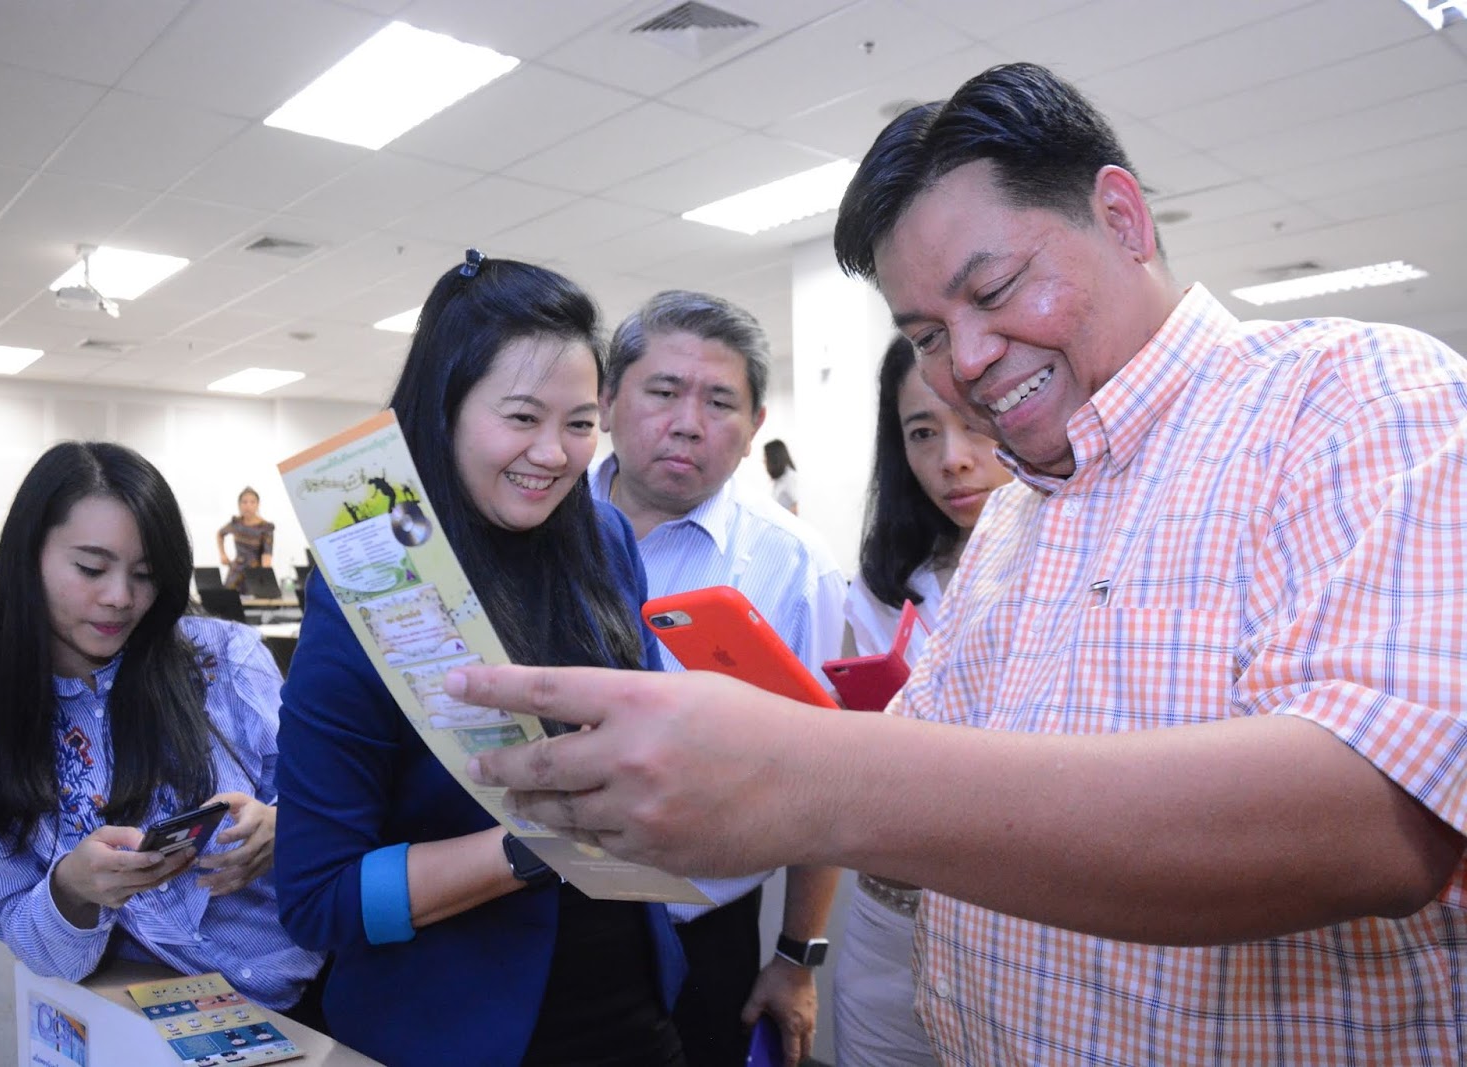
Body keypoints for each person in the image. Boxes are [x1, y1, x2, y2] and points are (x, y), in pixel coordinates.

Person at [453, 62, 1467, 1066]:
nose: (968, 360)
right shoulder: (1019, 515)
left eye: (995, 290)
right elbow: (928, 806)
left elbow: (1378, 817)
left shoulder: (1357, 396)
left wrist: (813, 776)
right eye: (929, 334)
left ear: (1121, 216)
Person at [273, 252, 687, 1067]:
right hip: (456, 1030)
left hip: (633, 1007)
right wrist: (534, 845)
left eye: (580, 423)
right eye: (522, 417)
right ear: (446, 409)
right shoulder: (372, 584)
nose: (554, 453)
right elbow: (320, 897)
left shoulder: (604, 539)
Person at [0, 442, 324, 1016]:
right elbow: (27, 937)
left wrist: (282, 824)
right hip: (165, 1015)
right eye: (91, 568)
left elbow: (322, 796)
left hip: (326, 980)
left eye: (146, 574)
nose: (121, 598)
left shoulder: (224, 657)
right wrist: (71, 890)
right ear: (29, 559)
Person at [593, 289, 846, 1067]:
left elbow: (826, 778)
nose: (688, 422)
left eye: (719, 402)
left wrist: (796, 957)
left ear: (754, 426)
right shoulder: (534, 524)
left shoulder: (795, 566)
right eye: (664, 391)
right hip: (523, 913)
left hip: (701, 936)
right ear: (606, 401)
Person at [832, 337, 1012, 1067]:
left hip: (1019, 924)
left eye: (975, 422)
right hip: (890, 916)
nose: (953, 459)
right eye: (922, 433)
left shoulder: (1076, 567)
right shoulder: (885, 586)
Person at [216, 487, 274, 590]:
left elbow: (267, 554)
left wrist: (264, 576)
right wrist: (222, 554)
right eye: (244, 502)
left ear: (258, 505)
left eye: (252, 502)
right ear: (239, 505)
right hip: (236, 569)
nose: (248, 506)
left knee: (255, 597)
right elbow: (220, 534)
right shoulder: (236, 523)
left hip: (255, 571)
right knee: (227, 595)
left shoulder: (265, 527)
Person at [762, 440, 799, 514]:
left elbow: (795, 508)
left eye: (765, 457)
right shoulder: (779, 479)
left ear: (774, 458)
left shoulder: (790, 477)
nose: (763, 461)